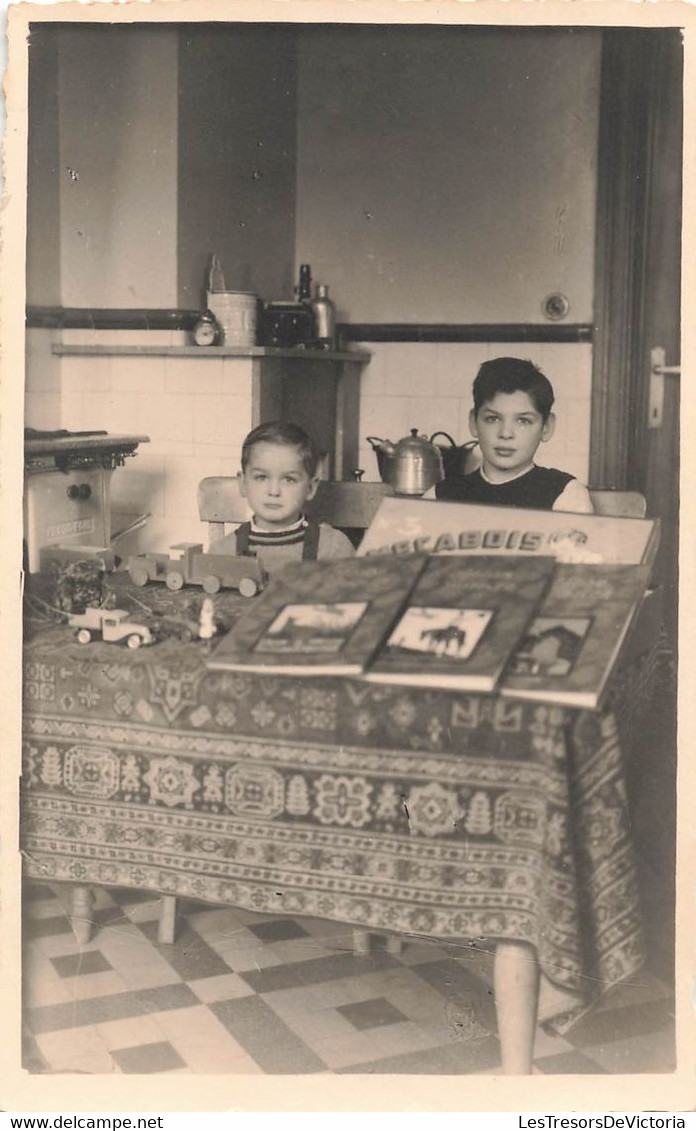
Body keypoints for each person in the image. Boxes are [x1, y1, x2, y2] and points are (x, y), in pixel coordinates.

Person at [433, 357, 594, 513]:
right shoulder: (439, 496)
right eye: (493, 418)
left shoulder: (566, 496)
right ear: (474, 423)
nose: (505, 433)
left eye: (523, 420)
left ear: (547, 427)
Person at [211, 421, 355, 569]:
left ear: (310, 488)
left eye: (289, 479)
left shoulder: (333, 548)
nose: (274, 491)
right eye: (261, 477)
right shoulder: (223, 552)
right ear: (244, 483)